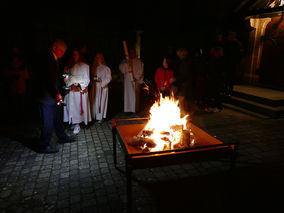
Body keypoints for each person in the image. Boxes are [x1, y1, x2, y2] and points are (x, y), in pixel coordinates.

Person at [35, 39, 76, 154]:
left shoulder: (55, 60)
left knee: (58, 117)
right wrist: (56, 94)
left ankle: (62, 136)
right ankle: (43, 145)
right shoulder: (47, 59)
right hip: (46, 97)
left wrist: (62, 82)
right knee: (47, 122)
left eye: (64, 51)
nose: (62, 53)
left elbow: (54, 77)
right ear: (54, 48)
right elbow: (47, 79)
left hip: (53, 95)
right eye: (61, 50)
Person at [63, 49, 91, 134]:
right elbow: (66, 78)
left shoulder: (84, 66)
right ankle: (73, 122)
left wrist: (79, 85)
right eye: (73, 54)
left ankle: (77, 124)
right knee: (70, 107)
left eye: (76, 54)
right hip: (71, 90)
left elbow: (87, 79)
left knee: (77, 107)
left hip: (79, 91)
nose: (74, 56)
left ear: (79, 55)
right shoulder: (69, 66)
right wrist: (66, 79)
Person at [119, 49, 144, 113]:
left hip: (135, 81)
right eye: (131, 53)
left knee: (135, 95)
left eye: (133, 52)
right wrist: (126, 64)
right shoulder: (125, 61)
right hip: (128, 81)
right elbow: (122, 69)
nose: (132, 54)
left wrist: (136, 78)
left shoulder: (138, 61)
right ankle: (128, 109)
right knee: (128, 95)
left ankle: (135, 109)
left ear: (135, 53)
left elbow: (141, 71)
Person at [90, 53, 112, 123]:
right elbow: (93, 77)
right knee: (96, 101)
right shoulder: (95, 68)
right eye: (96, 57)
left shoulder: (106, 68)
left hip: (102, 87)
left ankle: (101, 117)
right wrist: (95, 79)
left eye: (99, 57)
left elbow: (109, 78)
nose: (98, 58)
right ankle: (95, 116)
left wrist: (102, 81)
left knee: (101, 102)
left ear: (102, 58)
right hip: (96, 87)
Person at [174, 47, 194, 113]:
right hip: (183, 83)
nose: (178, 54)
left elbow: (185, 74)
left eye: (180, 52)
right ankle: (184, 112)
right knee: (182, 98)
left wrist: (176, 78)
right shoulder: (182, 61)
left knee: (182, 98)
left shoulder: (186, 62)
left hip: (185, 84)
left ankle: (184, 113)